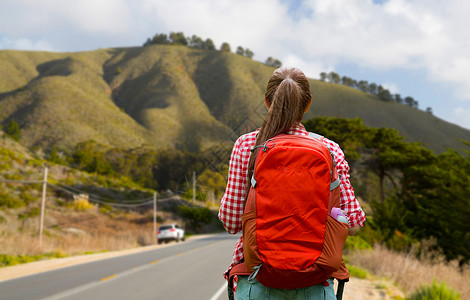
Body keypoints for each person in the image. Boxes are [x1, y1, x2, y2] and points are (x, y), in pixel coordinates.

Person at [218, 67, 366, 299]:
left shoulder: (247, 145)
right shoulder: (329, 149)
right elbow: (355, 222)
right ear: (307, 105)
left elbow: (231, 221)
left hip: (257, 278)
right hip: (314, 280)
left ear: (268, 102)